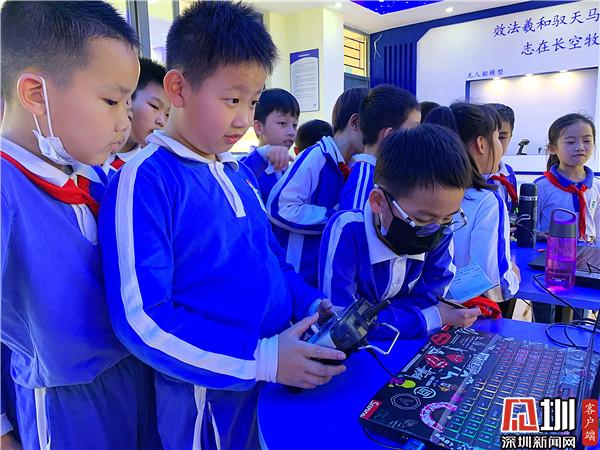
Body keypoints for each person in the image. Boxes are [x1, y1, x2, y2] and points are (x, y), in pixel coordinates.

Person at [98, 2, 346, 448]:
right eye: (232, 99)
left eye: (252, 102)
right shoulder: (146, 179)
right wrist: (261, 359)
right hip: (206, 402)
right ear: (178, 88)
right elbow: (142, 320)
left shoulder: (236, 173)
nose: (243, 119)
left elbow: (274, 263)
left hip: (273, 376)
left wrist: (312, 304)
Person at [1, 2, 159, 449]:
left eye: (128, 103)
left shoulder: (95, 178)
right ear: (35, 94)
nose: (126, 120)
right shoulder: (7, 187)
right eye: (111, 101)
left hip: (132, 376)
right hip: (66, 404)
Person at [320, 124, 480, 339]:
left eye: (447, 218)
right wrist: (429, 318)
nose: (434, 228)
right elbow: (343, 325)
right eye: (421, 219)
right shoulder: (347, 231)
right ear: (378, 201)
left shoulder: (441, 228)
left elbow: (430, 298)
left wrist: (379, 318)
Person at [266, 87, 367, 286]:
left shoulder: (356, 166)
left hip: (323, 273)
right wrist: (334, 218)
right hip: (299, 274)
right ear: (355, 123)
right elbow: (279, 207)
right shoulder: (316, 156)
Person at [430, 103, 520, 302]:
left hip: (419, 307)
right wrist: (512, 277)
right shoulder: (487, 201)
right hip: (462, 311)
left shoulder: (423, 189)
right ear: (481, 144)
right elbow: (493, 282)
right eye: (497, 137)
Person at [533, 113, 599, 322]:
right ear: (552, 148)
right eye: (570, 142)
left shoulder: (596, 187)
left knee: (579, 314)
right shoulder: (542, 187)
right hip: (549, 261)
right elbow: (530, 229)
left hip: (586, 261)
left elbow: (597, 225)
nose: (580, 147)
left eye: (587, 140)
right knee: (545, 314)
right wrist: (542, 235)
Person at [339, 85, 421, 211]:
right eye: (413, 131)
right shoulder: (364, 180)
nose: (417, 138)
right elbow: (354, 221)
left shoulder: (379, 172)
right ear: (389, 136)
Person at [103, 57, 170, 177]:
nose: (161, 121)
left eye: (168, 115)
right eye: (154, 106)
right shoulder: (87, 150)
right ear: (127, 98)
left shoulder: (148, 169)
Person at [239, 88, 298, 203]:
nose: (291, 132)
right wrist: (262, 155)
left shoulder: (289, 169)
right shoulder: (244, 165)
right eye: (283, 123)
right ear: (258, 127)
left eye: (294, 125)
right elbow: (239, 181)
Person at [485, 103, 518, 212]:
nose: (495, 143)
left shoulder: (508, 172)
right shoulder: (467, 176)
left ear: (510, 137)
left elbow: (513, 209)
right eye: (488, 136)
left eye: (502, 137)